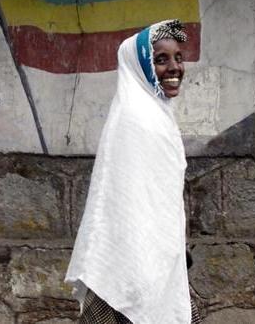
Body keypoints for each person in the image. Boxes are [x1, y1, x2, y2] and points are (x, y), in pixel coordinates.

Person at [65, 20, 201, 324]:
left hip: (156, 254)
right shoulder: (136, 118)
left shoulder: (155, 113)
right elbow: (126, 203)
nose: (175, 67)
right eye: (161, 59)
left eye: (178, 57)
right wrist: (145, 263)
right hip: (134, 259)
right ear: (139, 65)